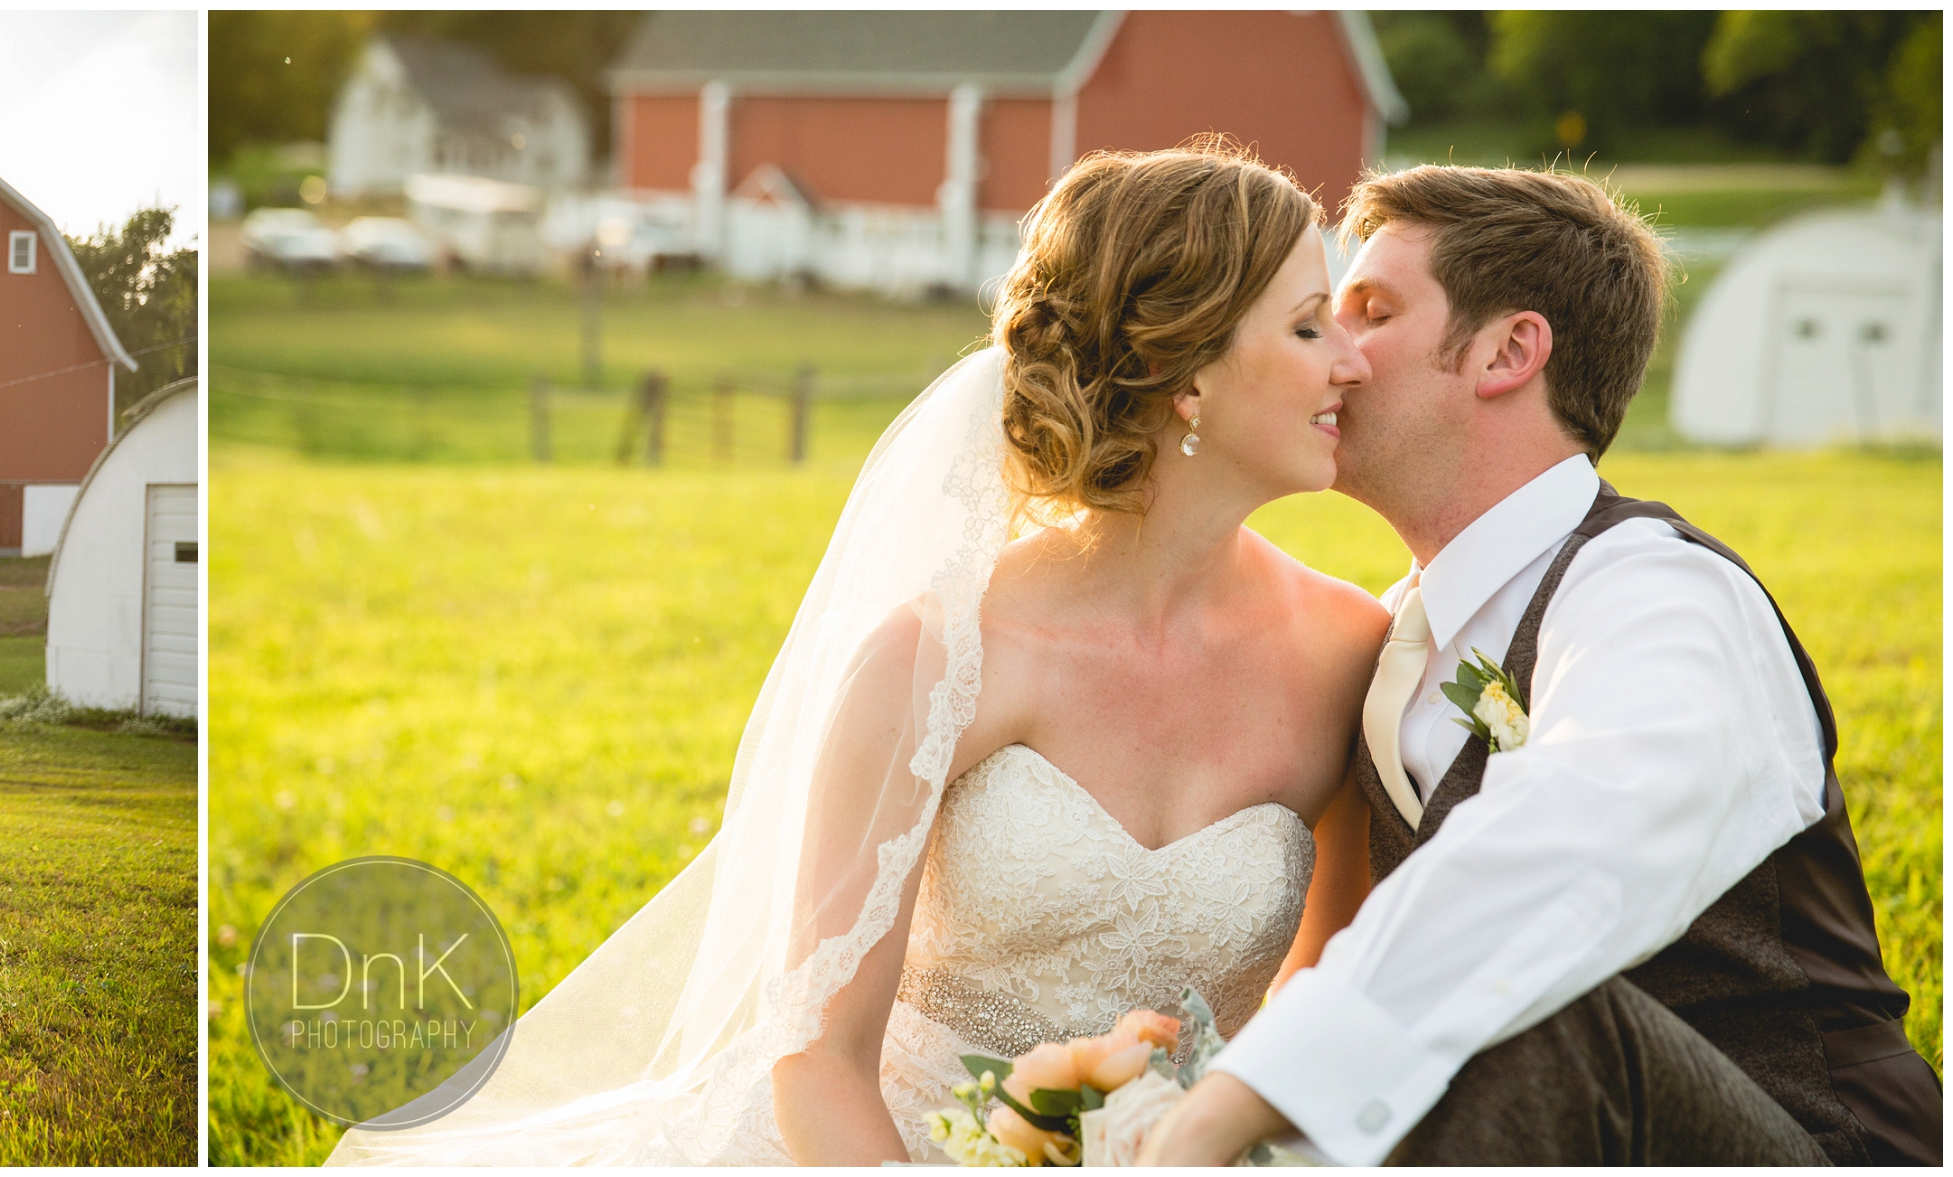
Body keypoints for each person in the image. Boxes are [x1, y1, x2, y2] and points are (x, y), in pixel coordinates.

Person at [326, 139, 1385, 1165]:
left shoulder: (1348, 650)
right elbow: (816, 1056)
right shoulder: (938, 656)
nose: (1352, 362)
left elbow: (1322, 988)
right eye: (1305, 328)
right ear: (1172, 370)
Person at [1137, 165, 1938, 1167]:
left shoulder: (1658, 594)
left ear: (1508, 351)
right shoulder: (1381, 637)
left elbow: (1579, 836)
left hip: (1811, 1141)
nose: (1330, 357)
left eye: (1370, 311)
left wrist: (1234, 1102)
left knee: (1520, 1007)